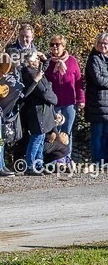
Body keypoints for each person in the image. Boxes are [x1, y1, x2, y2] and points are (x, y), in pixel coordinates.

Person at [45, 34, 84, 165]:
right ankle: (56, 158)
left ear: (63, 46)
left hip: (69, 103)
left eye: (57, 44)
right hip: (54, 104)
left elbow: (78, 82)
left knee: (67, 132)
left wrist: (81, 99)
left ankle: (67, 157)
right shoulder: (48, 62)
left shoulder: (72, 61)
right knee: (54, 132)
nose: (55, 47)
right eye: (52, 45)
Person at [20, 51, 58, 175]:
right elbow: (43, 92)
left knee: (40, 139)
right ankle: (30, 165)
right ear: (30, 61)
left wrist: (46, 59)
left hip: (40, 110)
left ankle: (38, 164)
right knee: (36, 138)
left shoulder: (33, 71)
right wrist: (54, 99)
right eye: (36, 58)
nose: (38, 60)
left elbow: (43, 70)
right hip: (37, 110)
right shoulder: (31, 73)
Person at [0, 58, 23, 177]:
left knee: (1, 138)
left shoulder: (10, 76)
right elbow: (17, 88)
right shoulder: (4, 78)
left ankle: (1, 164)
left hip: (0, 111)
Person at [84, 32, 108, 166]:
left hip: (107, 103)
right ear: (96, 44)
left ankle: (106, 160)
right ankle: (98, 160)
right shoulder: (93, 59)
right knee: (97, 133)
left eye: (105, 43)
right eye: (101, 43)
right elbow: (98, 79)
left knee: (106, 133)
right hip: (97, 103)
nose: (103, 46)